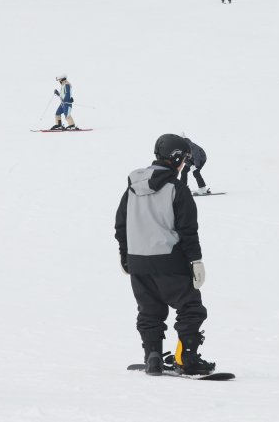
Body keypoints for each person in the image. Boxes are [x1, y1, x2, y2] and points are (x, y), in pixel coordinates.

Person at [114, 134, 215, 376]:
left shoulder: (132, 189)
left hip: (138, 262)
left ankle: (153, 356)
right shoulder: (177, 189)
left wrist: (125, 255)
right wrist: (196, 261)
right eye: (185, 160)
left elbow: (121, 225)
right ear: (177, 157)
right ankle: (187, 358)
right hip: (169, 260)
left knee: (149, 310)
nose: (185, 165)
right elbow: (188, 230)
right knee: (190, 307)